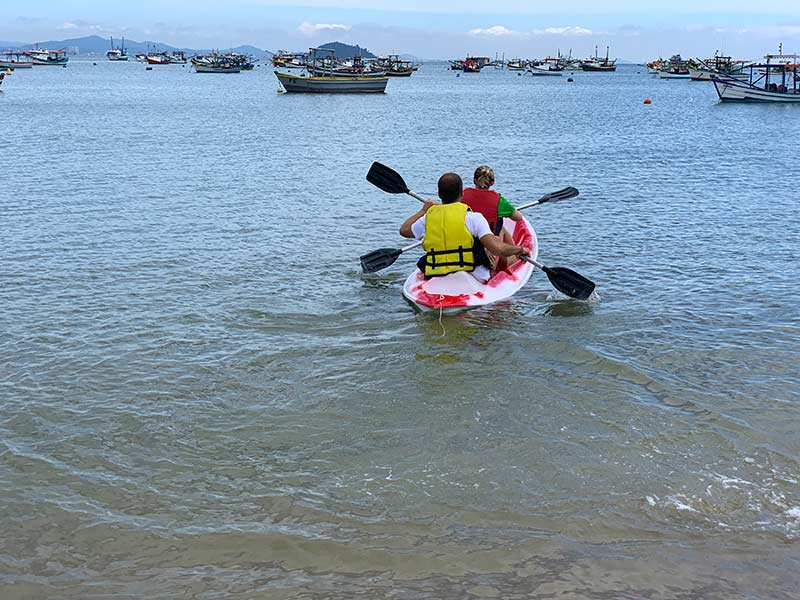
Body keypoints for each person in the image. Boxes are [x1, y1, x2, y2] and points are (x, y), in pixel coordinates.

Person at [399, 172, 528, 283]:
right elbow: (497, 249)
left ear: (439, 193)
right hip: (474, 273)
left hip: (436, 271)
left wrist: (423, 211)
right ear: (461, 193)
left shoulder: (428, 218)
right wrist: (520, 249)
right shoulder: (474, 218)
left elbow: (404, 230)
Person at [461, 165, 524, 270]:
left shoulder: (462, 195)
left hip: (466, 241)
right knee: (502, 228)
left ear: (474, 180)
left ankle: (507, 257)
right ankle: (513, 258)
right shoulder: (499, 200)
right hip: (490, 244)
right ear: (492, 182)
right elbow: (518, 218)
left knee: (500, 227)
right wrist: (509, 209)